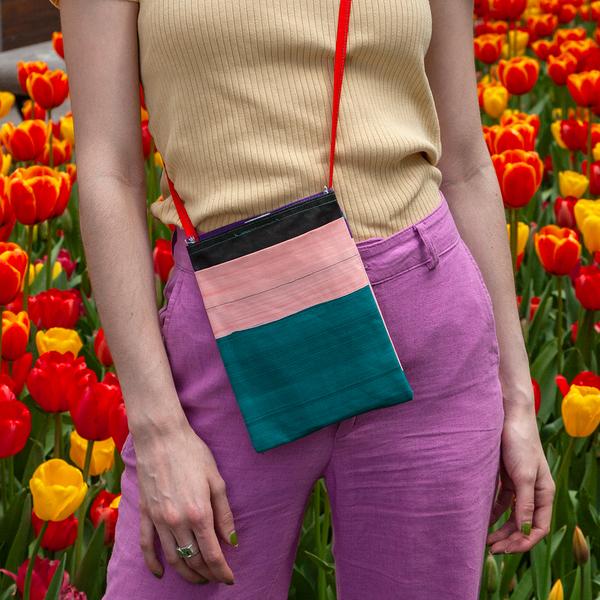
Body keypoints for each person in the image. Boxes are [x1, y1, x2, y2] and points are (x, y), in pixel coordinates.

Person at [51, 0, 555, 598]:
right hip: (228, 336)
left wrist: (517, 397)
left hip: (428, 331)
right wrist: (158, 428)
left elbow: (465, 166)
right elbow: (109, 169)